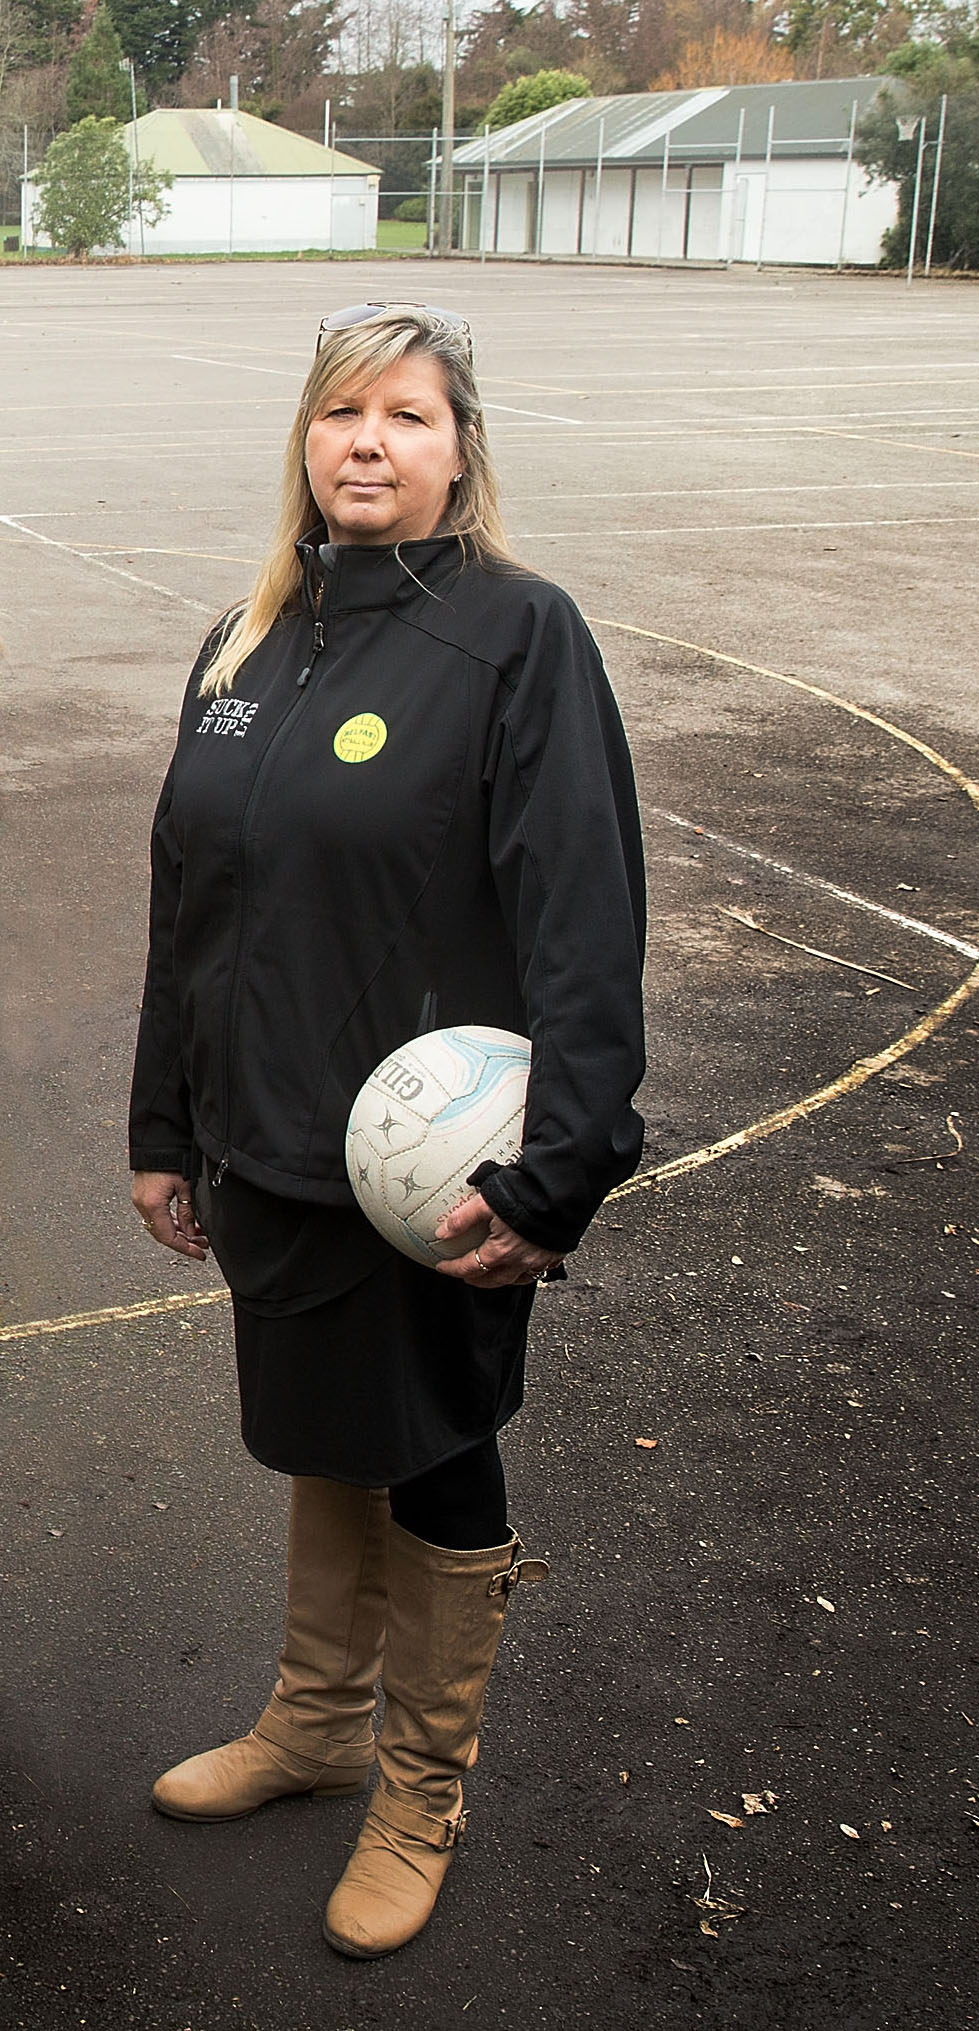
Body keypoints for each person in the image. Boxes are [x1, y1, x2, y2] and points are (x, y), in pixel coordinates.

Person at [128, 302, 646, 1959]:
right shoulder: (243, 640)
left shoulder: (516, 636)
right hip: (259, 1145)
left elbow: (582, 917)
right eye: (343, 412)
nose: (369, 441)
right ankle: (315, 1725)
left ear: (458, 452)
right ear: (303, 437)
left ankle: (420, 1786)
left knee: (432, 1448)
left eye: (408, 416)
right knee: (320, 1431)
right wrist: (163, 1122)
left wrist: (559, 1166)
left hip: (430, 1183)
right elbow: (189, 900)